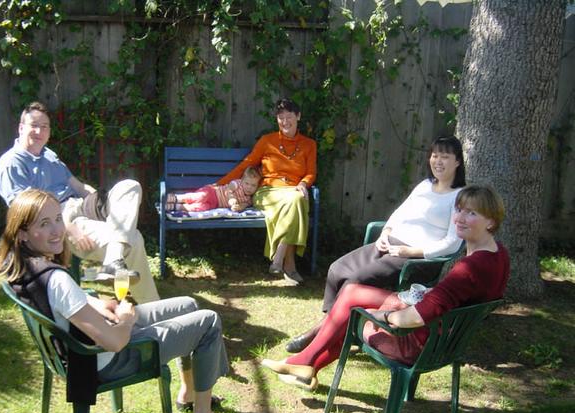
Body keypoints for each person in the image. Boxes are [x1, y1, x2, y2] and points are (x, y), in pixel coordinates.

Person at [0, 189, 235, 413]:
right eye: (44, 224)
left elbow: (66, 302)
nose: (57, 230)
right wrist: (126, 319)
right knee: (209, 321)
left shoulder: (26, 269)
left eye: (57, 219)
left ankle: (190, 392)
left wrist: (98, 305)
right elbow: (115, 342)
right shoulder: (57, 280)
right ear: (22, 234)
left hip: (83, 349)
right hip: (108, 360)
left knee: (189, 305)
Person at [262, 185, 509, 391]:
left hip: (419, 344)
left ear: (491, 221)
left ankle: (305, 363)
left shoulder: (469, 268)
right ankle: (305, 365)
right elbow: (451, 300)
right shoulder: (498, 255)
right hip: (443, 336)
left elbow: (415, 317)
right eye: (459, 210)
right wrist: (423, 296)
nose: (460, 218)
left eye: (472, 213)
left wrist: (383, 315)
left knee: (351, 314)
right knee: (351, 293)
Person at [286, 136, 466, 352]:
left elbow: (452, 243)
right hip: (388, 244)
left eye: (445, 157)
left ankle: (319, 333)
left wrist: (413, 251)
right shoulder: (425, 185)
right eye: (434, 155)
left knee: (355, 280)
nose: (438, 161)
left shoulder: (459, 197)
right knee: (337, 269)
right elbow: (400, 212)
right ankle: (333, 328)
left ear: (457, 162)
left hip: (413, 258)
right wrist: (385, 232)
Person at [0, 101, 159, 304]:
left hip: (79, 205)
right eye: (33, 125)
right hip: (56, 218)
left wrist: (101, 200)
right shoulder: (11, 164)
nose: (39, 131)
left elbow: (78, 186)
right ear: (21, 128)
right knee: (133, 239)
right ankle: (153, 306)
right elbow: (28, 213)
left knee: (130, 186)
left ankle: (113, 260)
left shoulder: (49, 155)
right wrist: (68, 228)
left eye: (44, 126)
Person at [218, 98, 317, 285]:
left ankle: (281, 257)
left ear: (298, 117)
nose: (285, 122)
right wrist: (221, 183)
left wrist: (304, 183)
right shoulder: (267, 141)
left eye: (289, 117)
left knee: (296, 200)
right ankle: (288, 265)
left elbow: (311, 172)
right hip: (268, 192)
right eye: (281, 118)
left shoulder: (309, 144)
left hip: (294, 191)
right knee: (297, 203)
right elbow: (247, 164)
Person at [167, 166, 262, 212]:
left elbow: (244, 205)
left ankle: (178, 207)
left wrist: (238, 207)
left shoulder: (249, 200)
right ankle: (176, 198)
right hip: (213, 192)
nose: (249, 187)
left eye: (253, 185)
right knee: (200, 196)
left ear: (257, 186)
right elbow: (229, 189)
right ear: (242, 180)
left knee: (202, 208)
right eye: (247, 183)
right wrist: (231, 198)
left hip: (215, 204)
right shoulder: (237, 184)